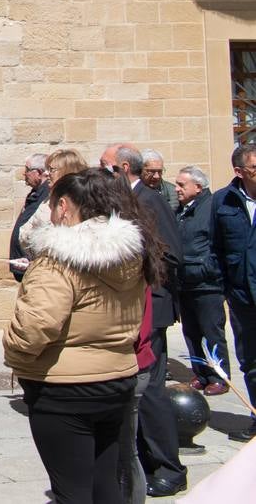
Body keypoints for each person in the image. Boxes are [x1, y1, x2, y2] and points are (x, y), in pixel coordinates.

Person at [4, 168, 162, 504]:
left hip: (63, 390)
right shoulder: (131, 254)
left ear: (64, 206)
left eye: (50, 207)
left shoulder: (58, 260)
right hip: (116, 379)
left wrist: (15, 356)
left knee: (72, 491)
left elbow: (35, 327)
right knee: (105, 483)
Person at [102, 144, 186, 496]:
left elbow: (172, 254)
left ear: (123, 168)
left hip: (154, 305)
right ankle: (148, 462)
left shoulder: (149, 200)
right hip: (138, 307)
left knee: (152, 392)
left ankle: (170, 467)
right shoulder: (128, 202)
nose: (102, 174)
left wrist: (141, 279)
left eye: (105, 168)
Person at [210, 141, 256, 442]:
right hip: (243, 298)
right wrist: (225, 289)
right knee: (251, 361)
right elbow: (214, 249)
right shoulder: (222, 202)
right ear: (239, 172)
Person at [173, 165, 227, 396]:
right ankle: (201, 373)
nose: (176, 189)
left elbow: (219, 244)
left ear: (198, 186)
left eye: (181, 185)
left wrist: (208, 268)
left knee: (211, 332)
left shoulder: (212, 207)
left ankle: (219, 377)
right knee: (192, 332)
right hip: (185, 281)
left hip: (207, 284)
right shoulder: (182, 210)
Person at [9, 154, 49, 281]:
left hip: (34, 267)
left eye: (27, 170)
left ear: (38, 172)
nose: (24, 174)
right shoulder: (35, 194)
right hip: (26, 265)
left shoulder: (46, 195)